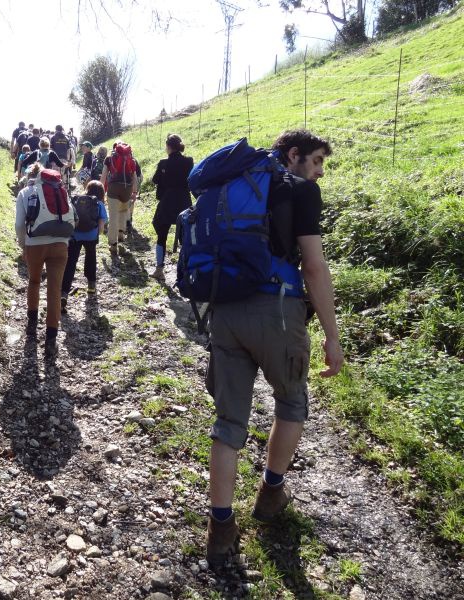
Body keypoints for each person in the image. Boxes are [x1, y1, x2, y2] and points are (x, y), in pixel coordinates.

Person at [204, 129, 344, 568]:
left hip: (223, 310)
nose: (319, 172)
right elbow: (315, 267)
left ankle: (221, 529)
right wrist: (332, 334)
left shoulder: (228, 186)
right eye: (317, 161)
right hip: (277, 311)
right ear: (294, 155)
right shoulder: (300, 193)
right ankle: (269, 494)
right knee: (291, 403)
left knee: (228, 422)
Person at [14, 164, 72, 359]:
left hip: (35, 244)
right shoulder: (60, 190)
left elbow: (19, 224)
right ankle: (51, 341)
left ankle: (31, 326)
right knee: (55, 290)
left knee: (34, 281)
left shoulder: (25, 192)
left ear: (31, 177)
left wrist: (23, 246)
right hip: (60, 244)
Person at [150, 134, 194, 280]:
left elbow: (155, 180)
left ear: (168, 147)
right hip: (184, 201)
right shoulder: (189, 161)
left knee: (161, 233)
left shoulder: (163, 163)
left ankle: (159, 270)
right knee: (184, 236)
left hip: (167, 201)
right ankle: (187, 270)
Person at [61, 180, 108, 312]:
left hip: (75, 236)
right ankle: (91, 285)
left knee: (71, 262)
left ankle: (64, 292)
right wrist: (96, 234)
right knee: (91, 258)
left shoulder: (76, 200)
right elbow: (102, 225)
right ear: (101, 192)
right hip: (91, 237)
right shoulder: (99, 204)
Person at [100, 140, 138, 264]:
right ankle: (121, 233)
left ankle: (113, 244)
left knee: (113, 215)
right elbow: (134, 177)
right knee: (123, 211)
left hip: (113, 188)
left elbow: (104, 176)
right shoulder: (131, 159)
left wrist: (101, 190)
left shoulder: (109, 158)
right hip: (126, 189)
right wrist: (134, 192)